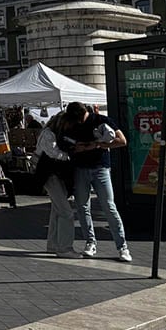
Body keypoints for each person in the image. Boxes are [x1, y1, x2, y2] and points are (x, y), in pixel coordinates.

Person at [62, 101, 131, 262]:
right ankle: (90, 242)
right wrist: (74, 147)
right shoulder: (72, 124)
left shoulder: (102, 120)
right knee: (82, 207)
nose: (80, 123)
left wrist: (94, 145)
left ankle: (122, 247)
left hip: (100, 168)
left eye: (80, 119)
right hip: (80, 168)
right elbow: (65, 143)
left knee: (109, 206)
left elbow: (122, 141)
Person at [33, 113, 80, 258]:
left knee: (57, 210)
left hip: (50, 174)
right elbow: (53, 153)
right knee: (66, 212)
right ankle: (65, 248)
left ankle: (53, 244)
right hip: (49, 174)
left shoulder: (49, 133)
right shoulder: (49, 134)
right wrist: (71, 154)